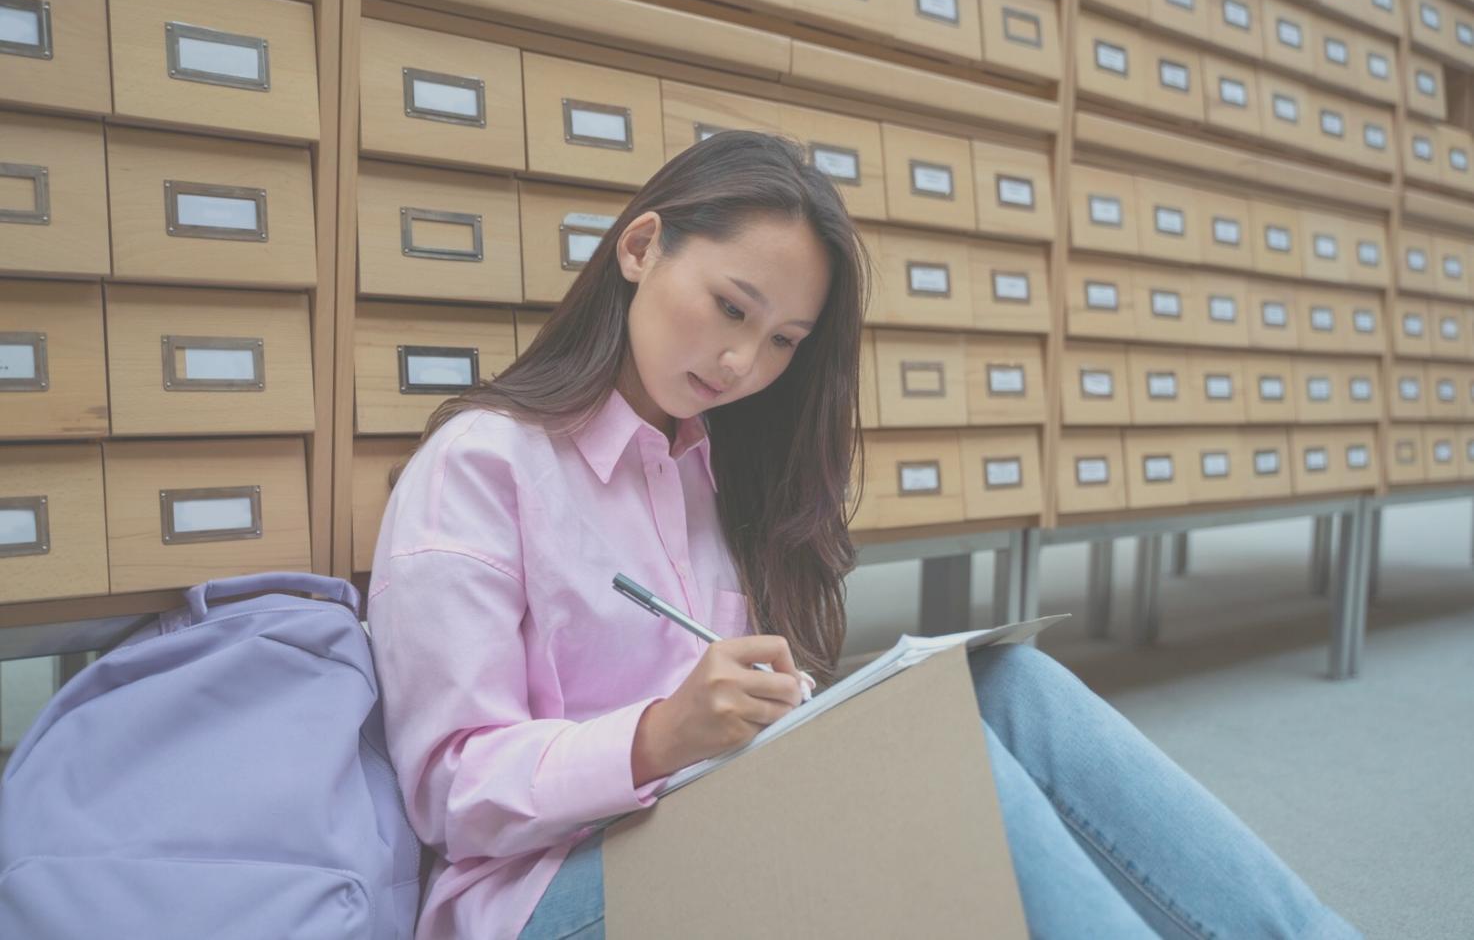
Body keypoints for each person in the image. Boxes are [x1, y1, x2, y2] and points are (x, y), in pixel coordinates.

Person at [365, 130, 1361, 939]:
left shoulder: (717, 472)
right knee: (935, 772)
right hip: (548, 899)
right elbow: (447, 790)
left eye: (783, 342)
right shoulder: (483, 464)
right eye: (729, 307)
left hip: (710, 821)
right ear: (640, 248)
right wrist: (659, 732)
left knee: (1005, 689)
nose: (743, 359)